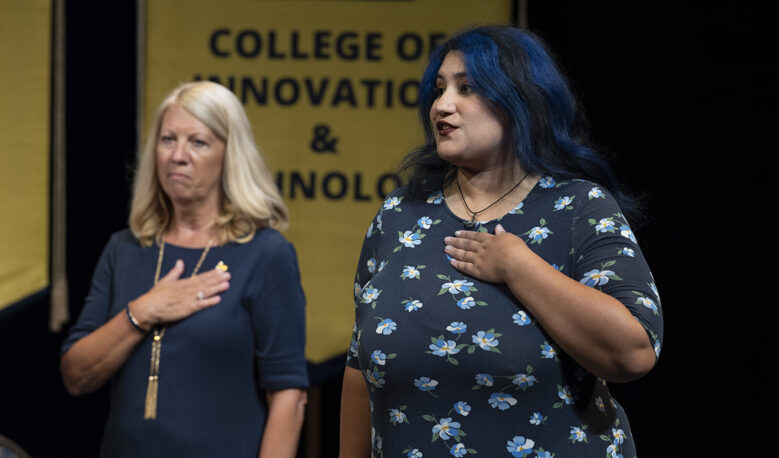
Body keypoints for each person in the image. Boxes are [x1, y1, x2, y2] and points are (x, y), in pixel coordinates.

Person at [340, 26, 663, 457]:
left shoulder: (577, 207)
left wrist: (519, 266)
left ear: (521, 102)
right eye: (439, 90)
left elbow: (634, 351)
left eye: (467, 88)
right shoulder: (401, 212)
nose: (442, 105)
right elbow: (360, 366)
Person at [60, 81, 308, 458]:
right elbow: (76, 375)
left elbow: (289, 397)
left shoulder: (265, 254)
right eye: (167, 139)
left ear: (230, 155)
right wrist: (142, 311)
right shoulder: (124, 249)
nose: (178, 155)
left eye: (198, 142)